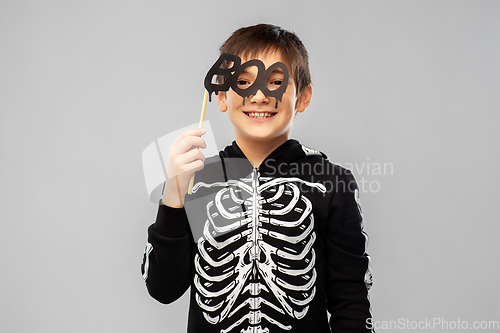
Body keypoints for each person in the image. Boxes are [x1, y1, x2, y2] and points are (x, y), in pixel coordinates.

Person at [141, 23, 374, 333]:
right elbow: (163, 288)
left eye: (276, 81)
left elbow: (352, 303)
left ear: (303, 98)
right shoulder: (196, 179)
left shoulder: (330, 181)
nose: (260, 95)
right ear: (221, 97)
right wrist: (174, 194)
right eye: (243, 82)